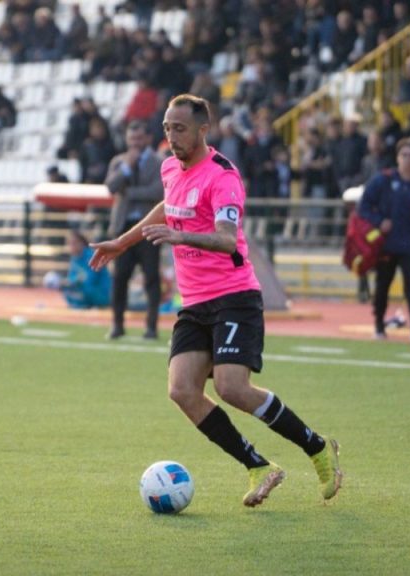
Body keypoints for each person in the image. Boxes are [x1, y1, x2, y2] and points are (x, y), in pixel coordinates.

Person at [90, 94, 342, 508]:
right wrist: (122, 241)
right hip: (195, 302)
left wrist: (180, 235)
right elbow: (168, 205)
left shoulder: (223, 176)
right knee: (182, 390)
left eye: (180, 128)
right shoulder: (170, 167)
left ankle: (317, 447)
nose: (171, 136)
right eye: (167, 128)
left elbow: (226, 240)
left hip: (234, 296)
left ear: (203, 130)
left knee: (231, 387)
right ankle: (258, 466)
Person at [358, 138, 410, 340]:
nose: (408, 159)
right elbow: (364, 206)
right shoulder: (383, 180)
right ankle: (378, 324)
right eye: (404, 155)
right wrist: (379, 221)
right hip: (387, 244)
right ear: (397, 158)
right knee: (382, 285)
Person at [103, 121, 165, 340]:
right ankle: (117, 325)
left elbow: (158, 191)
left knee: (151, 278)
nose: (135, 144)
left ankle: (151, 327)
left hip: (149, 229)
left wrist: (129, 193)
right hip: (123, 228)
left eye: (139, 139)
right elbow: (111, 187)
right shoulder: (119, 162)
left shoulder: (159, 162)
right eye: (131, 140)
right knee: (120, 278)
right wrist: (126, 169)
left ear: (148, 139)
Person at [60, 229, 110, 309]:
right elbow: (71, 277)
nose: (71, 246)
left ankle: (95, 305)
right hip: (86, 290)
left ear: (82, 243)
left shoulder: (91, 256)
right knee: (66, 289)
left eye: (74, 243)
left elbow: (90, 279)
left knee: (84, 288)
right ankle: (79, 306)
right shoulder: (75, 258)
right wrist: (64, 283)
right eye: (69, 243)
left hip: (101, 292)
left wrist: (73, 281)